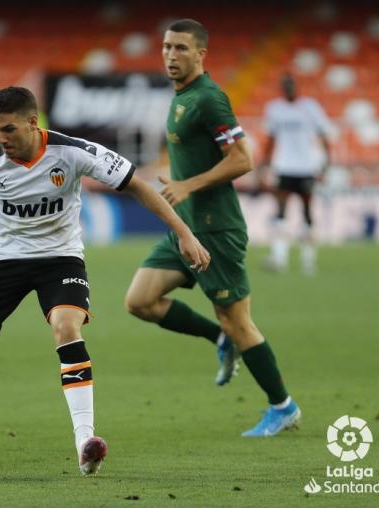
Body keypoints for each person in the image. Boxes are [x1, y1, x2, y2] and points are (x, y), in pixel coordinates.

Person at [0, 86, 210, 475]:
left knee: (66, 326)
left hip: (60, 259)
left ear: (33, 123)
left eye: (9, 129)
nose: (1, 138)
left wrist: (185, 233)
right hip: (4, 261)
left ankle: (85, 441)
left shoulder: (73, 152)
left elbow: (137, 184)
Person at [125, 19, 301, 437]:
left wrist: (189, 185)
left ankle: (283, 406)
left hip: (215, 230)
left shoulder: (208, 98)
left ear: (201, 54)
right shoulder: (181, 96)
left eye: (181, 48)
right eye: (167, 47)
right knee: (140, 300)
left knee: (237, 320)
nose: (171, 55)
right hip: (184, 228)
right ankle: (219, 340)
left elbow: (244, 158)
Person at [260, 73, 332, 275]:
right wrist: (263, 165)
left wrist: (325, 165)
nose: (288, 89)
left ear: (296, 87)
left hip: (306, 168)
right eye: (285, 86)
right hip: (284, 167)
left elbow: (325, 136)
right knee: (281, 211)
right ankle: (279, 259)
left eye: (290, 85)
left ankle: (308, 261)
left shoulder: (310, 107)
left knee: (307, 212)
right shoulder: (274, 109)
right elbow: (270, 140)